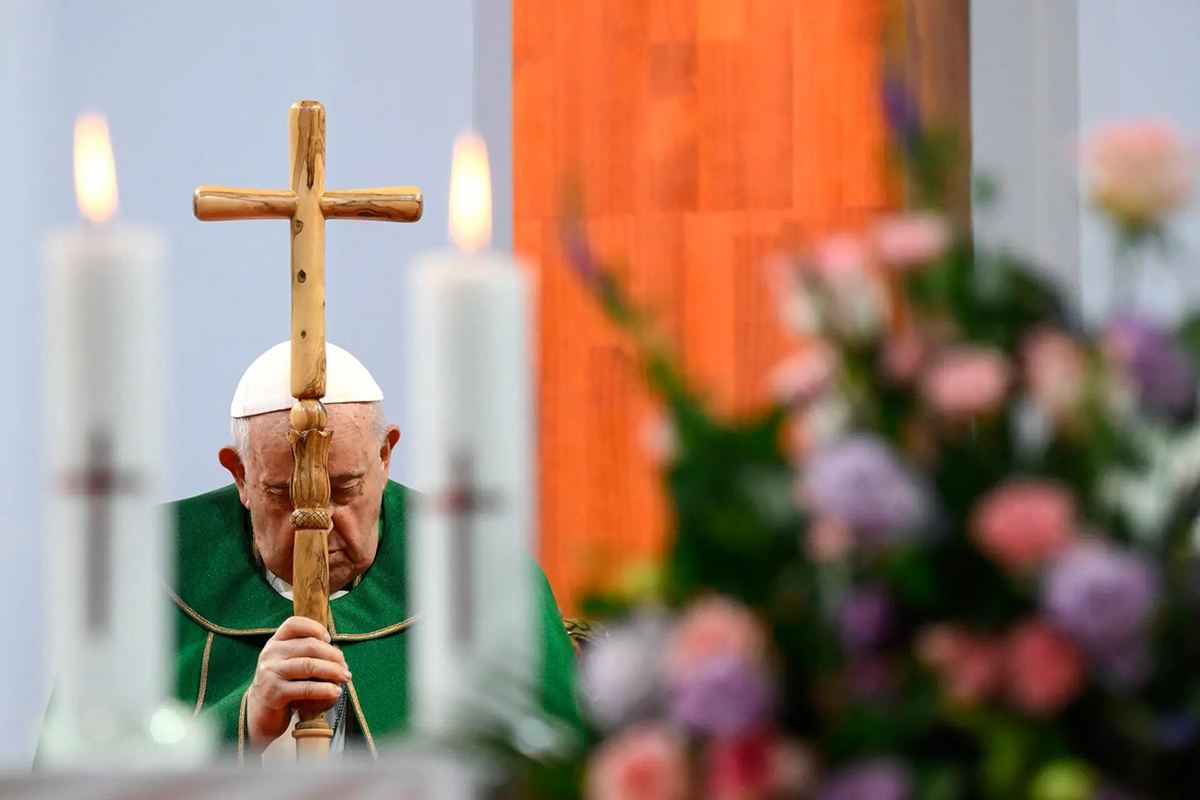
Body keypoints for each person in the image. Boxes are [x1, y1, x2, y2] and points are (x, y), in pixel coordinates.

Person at [168, 342, 578, 760]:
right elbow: (111, 762)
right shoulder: (153, 564)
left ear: (384, 457)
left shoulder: (481, 570)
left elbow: (560, 761)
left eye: (343, 489)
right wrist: (244, 720)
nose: (317, 525)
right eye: (284, 494)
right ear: (240, 475)